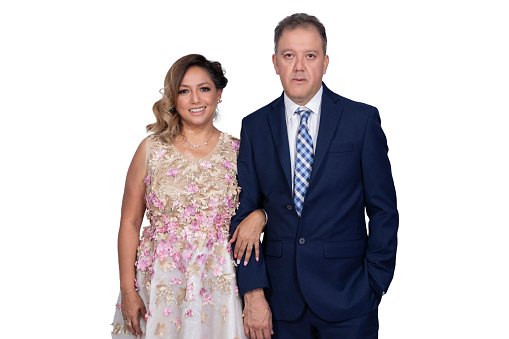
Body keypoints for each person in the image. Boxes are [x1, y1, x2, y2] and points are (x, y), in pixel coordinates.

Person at [230, 13, 399, 339]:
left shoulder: (361, 121)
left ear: (325, 62)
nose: (299, 66)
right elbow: (243, 215)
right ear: (275, 62)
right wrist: (253, 294)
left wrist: (374, 284)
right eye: (288, 55)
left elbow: (383, 210)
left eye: (310, 55)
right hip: (278, 305)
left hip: (350, 300)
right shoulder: (254, 127)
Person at [111, 54, 265, 338]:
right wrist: (127, 290)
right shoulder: (151, 149)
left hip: (219, 284)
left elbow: (267, 203)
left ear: (219, 94)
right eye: (184, 91)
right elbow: (130, 222)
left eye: (204, 89)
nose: (195, 99)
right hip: (161, 283)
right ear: (173, 97)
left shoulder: (238, 152)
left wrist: (260, 215)